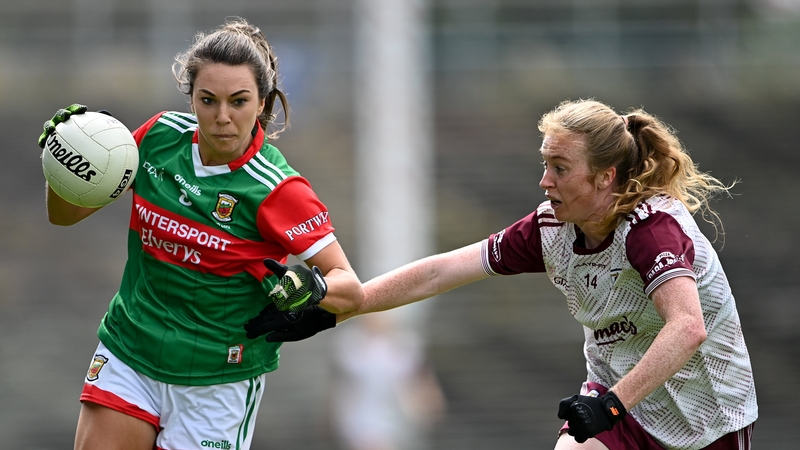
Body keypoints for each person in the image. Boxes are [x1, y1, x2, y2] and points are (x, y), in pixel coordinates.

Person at [248, 99, 758, 449]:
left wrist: (614, 406)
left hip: (704, 415)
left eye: (560, 168)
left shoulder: (652, 232)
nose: (544, 181)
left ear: (605, 177)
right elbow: (442, 271)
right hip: (616, 403)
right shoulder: (551, 228)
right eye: (545, 164)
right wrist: (343, 308)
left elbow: (688, 328)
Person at [36, 17, 361, 450]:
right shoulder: (157, 138)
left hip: (217, 381)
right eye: (208, 100)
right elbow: (66, 215)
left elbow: (350, 289)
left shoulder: (277, 189)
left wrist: (313, 284)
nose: (222, 117)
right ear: (191, 98)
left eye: (238, 101)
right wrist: (66, 164)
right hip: (131, 350)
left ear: (262, 102)